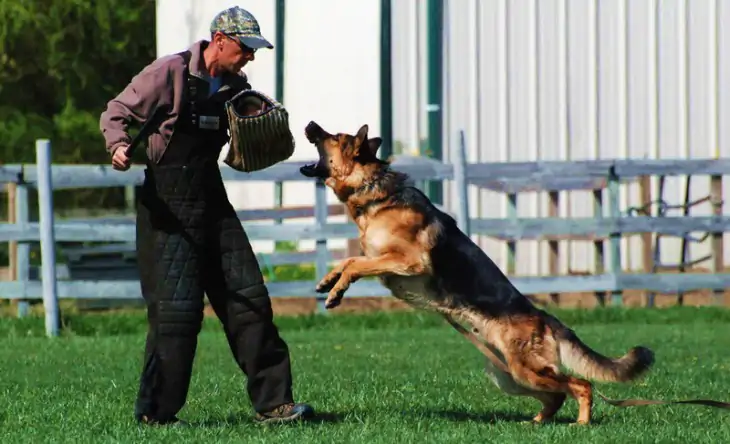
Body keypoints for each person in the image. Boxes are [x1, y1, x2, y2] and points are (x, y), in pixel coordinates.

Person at [99, 6, 314, 426]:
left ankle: (275, 405)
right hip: (167, 205)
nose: (250, 56)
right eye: (246, 47)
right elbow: (116, 111)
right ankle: (156, 415)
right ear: (220, 41)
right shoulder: (170, 73)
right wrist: (118, 146)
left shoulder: (236, 86)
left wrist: (259, 130)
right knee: (177, 313)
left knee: (248, 298)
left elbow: (244, 135)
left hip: (212, 202)